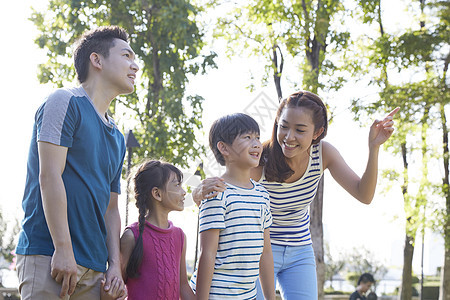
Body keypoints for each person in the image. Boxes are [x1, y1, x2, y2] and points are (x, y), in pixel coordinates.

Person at [193, 91, 399, 299]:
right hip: (262, 250)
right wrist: (196, 191)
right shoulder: (259, 160)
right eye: (283, 127)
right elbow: (226, 185)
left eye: (300, 130)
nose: (289, 137)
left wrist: (374, 148)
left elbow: (364, 195)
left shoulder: (323, 154)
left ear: (317, 132)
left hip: (300, 249)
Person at [15, 25, 139, 299]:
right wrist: (63, 248)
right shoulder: (64, 102)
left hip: (94, 269)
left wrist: (114, 267)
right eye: (127, 56)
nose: (135, 66)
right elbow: (49, 177)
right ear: (97, 60)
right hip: (50, 255)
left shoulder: (117, 136)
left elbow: (111, 208)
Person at [189, 113, 276, 300]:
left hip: (248, 296)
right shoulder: (216, 192)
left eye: (257, 138)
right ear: (223, 148)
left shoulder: (262, 194)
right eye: (247, 137)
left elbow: (266, 253)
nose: (256, 144)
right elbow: (207, 254)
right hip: (216, 295)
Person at [119, 160, 195, 300]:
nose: (184, 192)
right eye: (177, 185)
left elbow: (183, 286)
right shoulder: (132, 236)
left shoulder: (180, 236)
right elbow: (117, 286)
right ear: (157, 193)